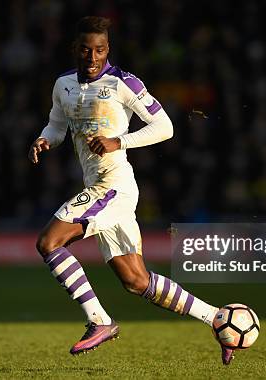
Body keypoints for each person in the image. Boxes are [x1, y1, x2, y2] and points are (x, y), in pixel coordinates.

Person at [28, 16, 234, 365]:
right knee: (136, 281)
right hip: (99, 186)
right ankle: (216, 317)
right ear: (75, 49)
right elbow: (57, 124)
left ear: (108, 50)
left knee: (49, 242)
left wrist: (117, 141)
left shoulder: (124, 83)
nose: (93, 57)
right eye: (86, 50)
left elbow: (165, 126)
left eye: (100, 50)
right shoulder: (63, 84)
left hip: (114, 186)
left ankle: (99, 321)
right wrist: (45, 140)